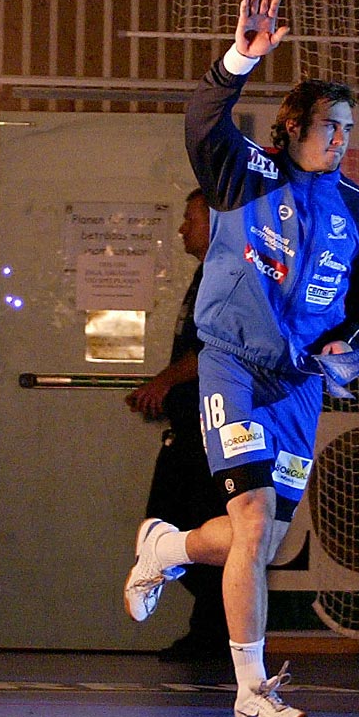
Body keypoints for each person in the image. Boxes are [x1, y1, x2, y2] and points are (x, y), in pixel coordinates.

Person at [123, 0, 359, 717]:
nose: (339, 140)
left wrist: (353, 342)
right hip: (233, 368)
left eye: (347, 129)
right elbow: (202, 120)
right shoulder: (245, 173)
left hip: (300, 387)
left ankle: (168, 545)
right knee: (251, 518)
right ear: (293, 128)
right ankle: (250, 695)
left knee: (262, 538)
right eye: (327, 127)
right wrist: (241, 56)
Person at [125, 188, 230, 663]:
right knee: (163, 518)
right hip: (188, 426)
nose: (183, 229)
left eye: (191, 219)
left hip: (215, 431)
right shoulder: (202, 273)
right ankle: (208, 629)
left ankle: (216, 634)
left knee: (208, 526)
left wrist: (164, 381)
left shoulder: (227, 275)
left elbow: (213, 349)